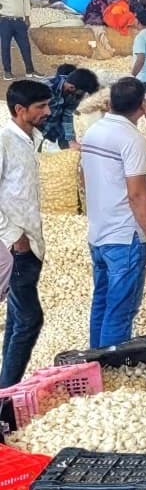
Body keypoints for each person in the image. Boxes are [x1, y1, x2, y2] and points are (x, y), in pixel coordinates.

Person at [78, 77, 146, 347]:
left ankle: (95, 360)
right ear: (142, 105)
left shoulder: (93, 131)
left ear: (110, 102)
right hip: (125, 236)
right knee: (120, 310)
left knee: (101, 301)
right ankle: (110, 367)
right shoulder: (132, 139)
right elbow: (137, 194)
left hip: (98, 232)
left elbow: (82, 176)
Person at [0, 78, 48, 385]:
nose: (48, 110)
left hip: (31, 241)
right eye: (41, 106)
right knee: (31, 319)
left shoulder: (34, 137)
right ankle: (7, 393)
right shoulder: (4, 141)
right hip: (14, 244)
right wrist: (14, 235)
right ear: (20, 110)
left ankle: (6, 388)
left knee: (18, 318)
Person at [40, 65, 100, 149]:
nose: (81, 96)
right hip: (35, 127)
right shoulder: (45, 87)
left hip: (54, 127)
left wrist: (71, 140)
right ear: (72, 87)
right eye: (81, 92)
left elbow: (67, 116)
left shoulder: (75, 94)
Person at [0, 0, 34, 78]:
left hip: (20, 22)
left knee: (25, 46)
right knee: (5, 46)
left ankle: (30, 71)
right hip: (5, 21)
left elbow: (26, 2)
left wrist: (27, 18)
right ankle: (7, 72)